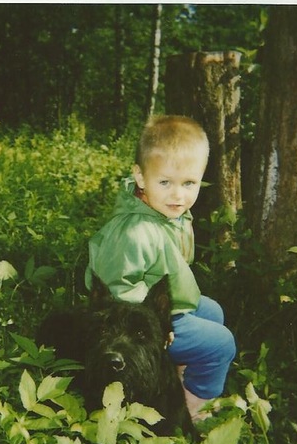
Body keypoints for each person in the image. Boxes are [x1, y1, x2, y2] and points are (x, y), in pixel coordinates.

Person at [85, 115, 236, 423]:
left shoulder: (167, 213)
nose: (178, 195)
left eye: (189, 183)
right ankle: (193, 407)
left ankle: (177, 373)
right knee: (221, 344)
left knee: (213, 311)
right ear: (141, 177)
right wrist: (159, 327)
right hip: (141, 316)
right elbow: (120, 296)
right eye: (165, 182)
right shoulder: (134, 232)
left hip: (159, 298)